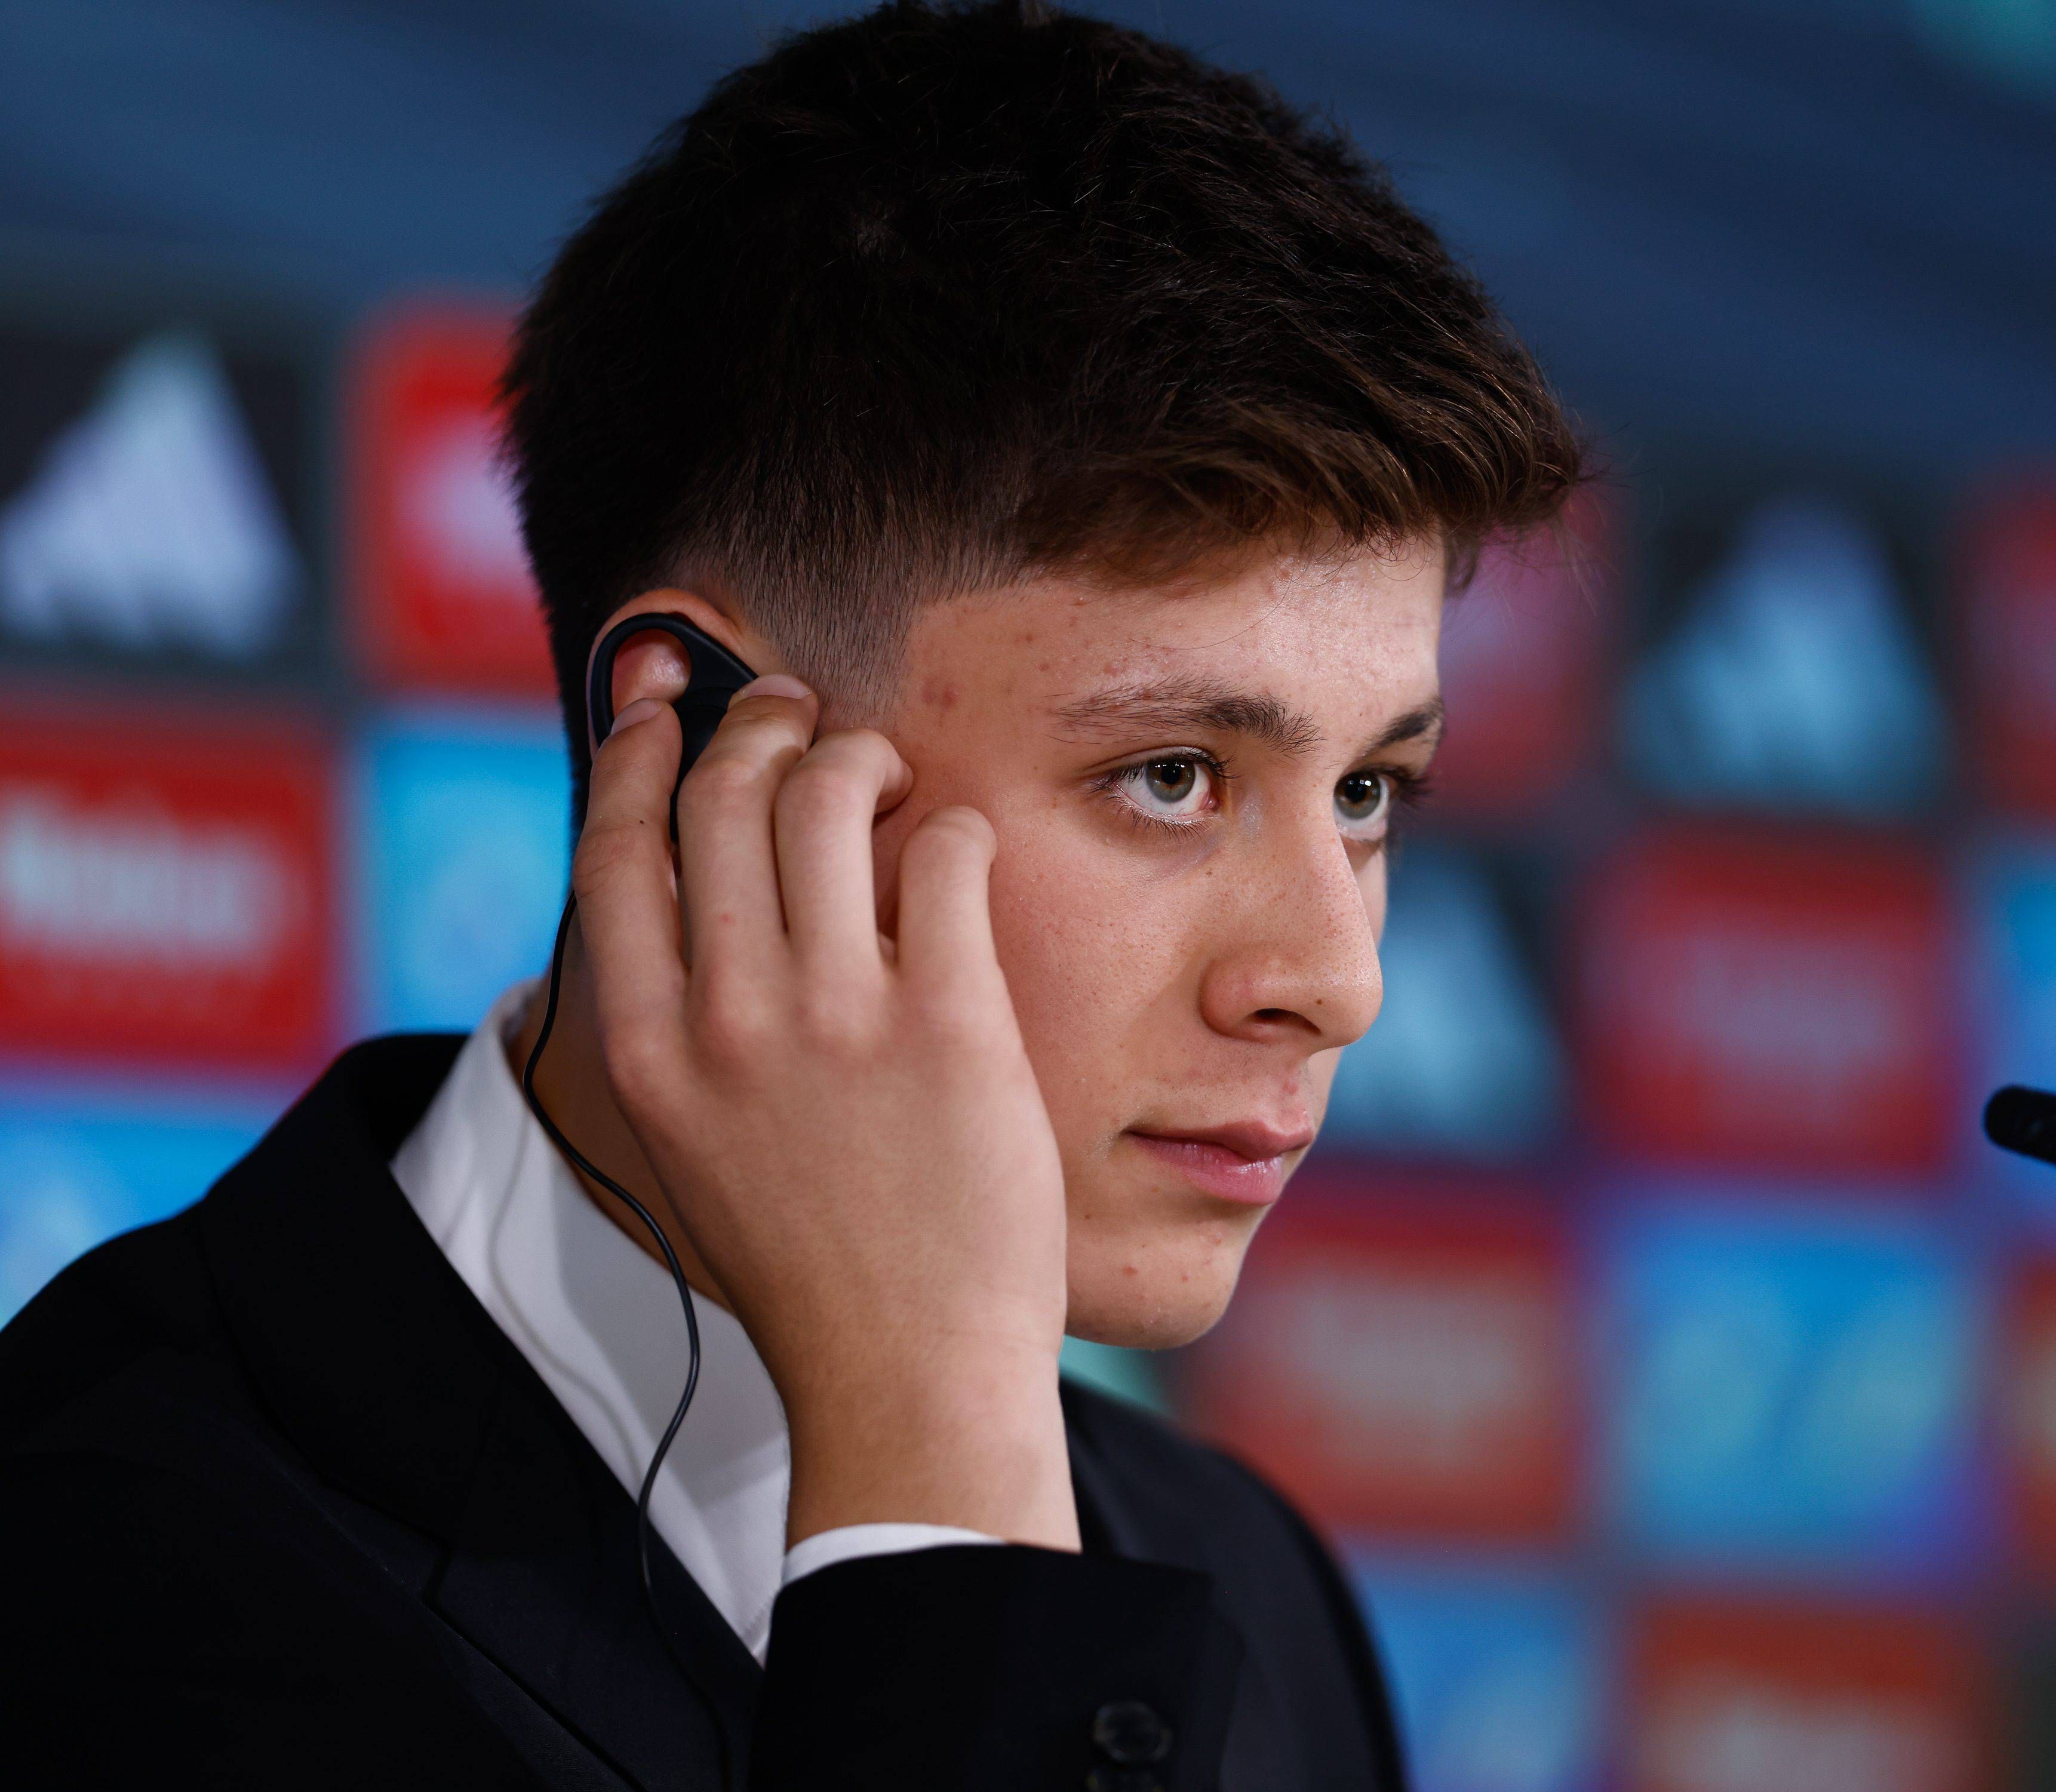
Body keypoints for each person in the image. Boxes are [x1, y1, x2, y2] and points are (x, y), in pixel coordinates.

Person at [0, 2, 1583, 1785]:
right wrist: (939, 1493)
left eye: (1368, 791)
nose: (1338, 979)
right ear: (692, 742)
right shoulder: (91, 1576)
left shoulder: (1248, 1577)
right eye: (1172, 776)